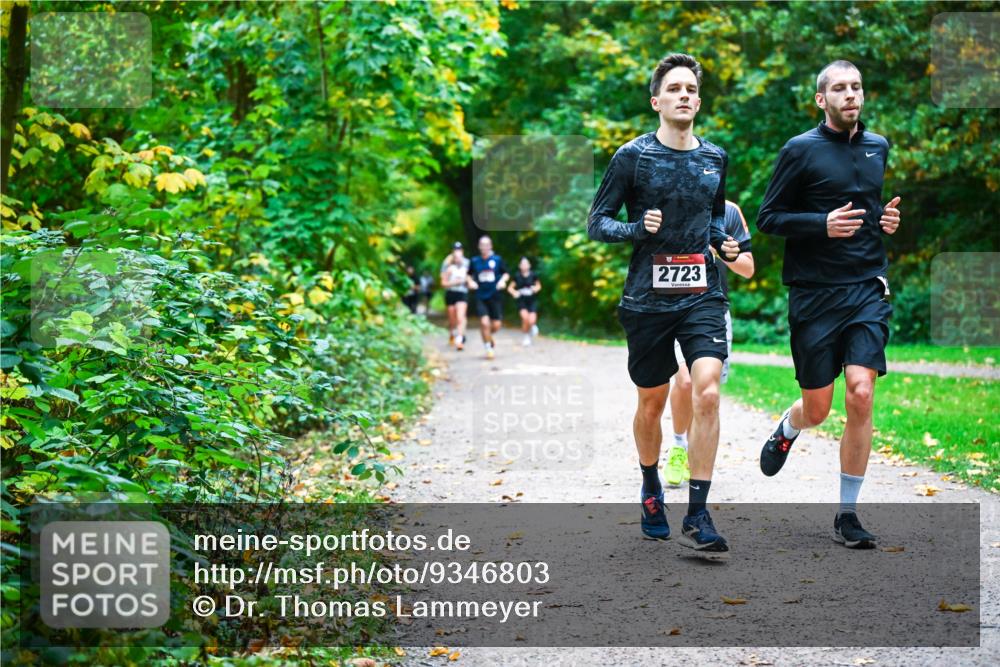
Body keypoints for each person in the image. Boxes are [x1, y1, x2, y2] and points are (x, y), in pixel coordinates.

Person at [587, 53, 746, 552]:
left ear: (698, 101)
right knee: (652, 402)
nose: (684, 95)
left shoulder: (714, 158)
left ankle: (699, 513)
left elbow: (714, 218)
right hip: (647, 299)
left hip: (702, 294)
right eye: (674, 88)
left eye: (691, 89)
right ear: (657, 101)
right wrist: (637, 229)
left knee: (707, 392)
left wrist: (726, 244)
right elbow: (597, 222)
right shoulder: (632, 156)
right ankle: (651, 485)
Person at [756, 60, 901, 549]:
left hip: (865, 286)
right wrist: (820, 224)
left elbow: (867, 208)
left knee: (861, 392)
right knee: (819, 408)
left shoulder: (878, 146)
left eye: (856, 86)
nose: (850, 95)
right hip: (815, 293)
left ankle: (847, 514)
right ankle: (790, 425)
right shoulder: (800, 150)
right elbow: (769, 218)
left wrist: (885, 222)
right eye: (839, 88)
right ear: (822, 99)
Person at [665, 200, 754, 487]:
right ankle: (679, 445)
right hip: (672, 307)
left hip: (713, 310)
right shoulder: (668, 202)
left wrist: (719, 252)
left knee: (706, 394)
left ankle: (695, 456)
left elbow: (748, 268)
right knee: (685, 382)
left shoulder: (728, 212)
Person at [467, 235, 509, 360]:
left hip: (494, 295)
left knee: (496, 325)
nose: (484, 247)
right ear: (479, 247)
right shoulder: (474, 261)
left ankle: (488, 335)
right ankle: (488, 347)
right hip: (481, 295)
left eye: (487, 245)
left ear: (490, 246)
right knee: (484, 323)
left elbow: (506, 273)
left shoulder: (497, 260)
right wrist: (471, 282)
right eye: (482, 245)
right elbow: (468, 275)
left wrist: (502, 281)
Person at [440, 242, 470, 351]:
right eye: (455, 250)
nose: (457, 252)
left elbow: (470, 278)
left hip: (462, 293)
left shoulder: (467, 263)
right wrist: (455, 282)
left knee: (460, 316)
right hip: (451, 293)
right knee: (452, 317)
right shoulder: (447, 263)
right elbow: (443, 283)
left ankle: (460, 338)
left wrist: (468, 282)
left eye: (460, 249)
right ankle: (452, 332)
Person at [507, 256, 541, 346]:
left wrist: (535, 289)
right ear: (520, 266)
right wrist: (515, 293)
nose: (524, 266)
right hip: (521, 300)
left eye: (526, 264)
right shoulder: (517, 276)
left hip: (531, 300)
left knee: (532, 319)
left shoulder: (533, 275)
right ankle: (526, 336)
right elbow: (510, 288)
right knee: (525, 318)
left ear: (529, 265)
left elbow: (539, 286)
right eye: (522, 264)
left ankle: (533, 326)